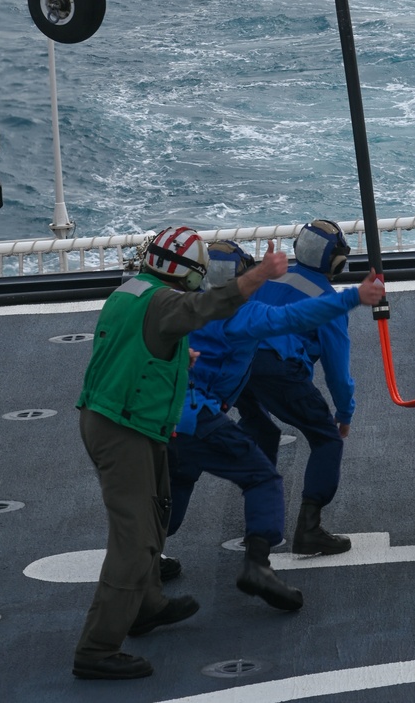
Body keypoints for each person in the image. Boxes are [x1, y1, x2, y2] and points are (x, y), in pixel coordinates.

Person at [73, 226, 290, 683]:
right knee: (134, 543)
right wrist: (260, 276)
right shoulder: (167, 303)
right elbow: (206, 307)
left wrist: (177, 360)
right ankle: (97, 647)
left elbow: (133, 345)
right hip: (125, 428)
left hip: (120, 418)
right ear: (188, 273)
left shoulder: (130, 291)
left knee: (154, 516)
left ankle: (148, 604)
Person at [165, 241, 385, 612]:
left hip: (164, 413)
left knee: (181, 478)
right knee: (267, 475)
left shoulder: (180, 307)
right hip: (202, 413)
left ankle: (146, 560)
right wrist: (354, 296)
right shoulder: (242, 314)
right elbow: (296, 319)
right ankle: (267, 558)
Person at [236, 221, 358, 558]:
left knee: (262, 432)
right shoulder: (327, 300)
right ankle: (309, 529)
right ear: (334, 262)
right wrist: (344, 412)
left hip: (239, 364)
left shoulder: (271, 278)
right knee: (325, 439)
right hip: (278, 368)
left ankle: (258, 525)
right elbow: (337, 370)